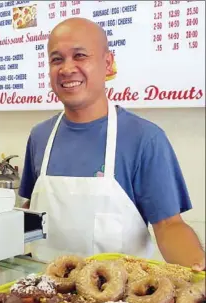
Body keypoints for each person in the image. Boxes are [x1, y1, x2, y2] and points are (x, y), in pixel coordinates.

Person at [19, 17, 205, 271]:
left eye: (80, 55)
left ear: (107, 63)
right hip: (42, 300)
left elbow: (169, 226)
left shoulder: (144, 139)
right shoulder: (40, 136)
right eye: (57, 59)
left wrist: (196, 266)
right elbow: (31, 210)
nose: (67, 68)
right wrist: (8, 260)